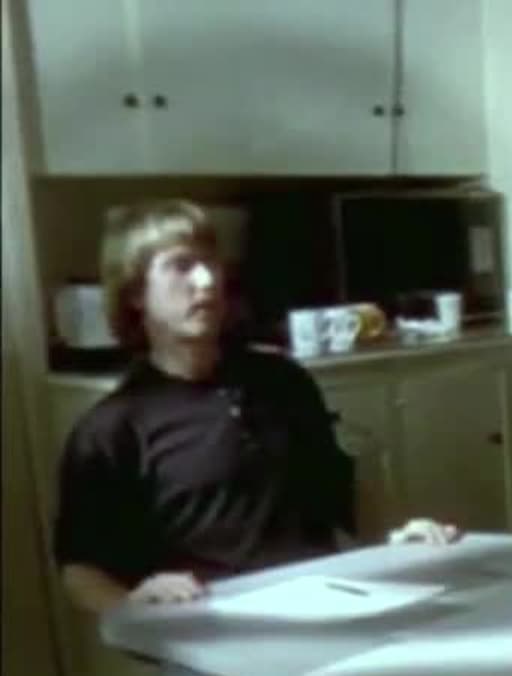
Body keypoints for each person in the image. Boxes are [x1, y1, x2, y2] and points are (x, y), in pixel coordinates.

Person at [54, 199, 461, 616]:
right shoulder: (112, 428)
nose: (206, 280)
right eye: (181, 266)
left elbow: (340, 494)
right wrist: (132, 607)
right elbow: (80, 568)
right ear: (135, 292)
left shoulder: (283, 381)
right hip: (209, 627)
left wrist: (395, 539)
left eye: (211, 263)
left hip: (324, 608)